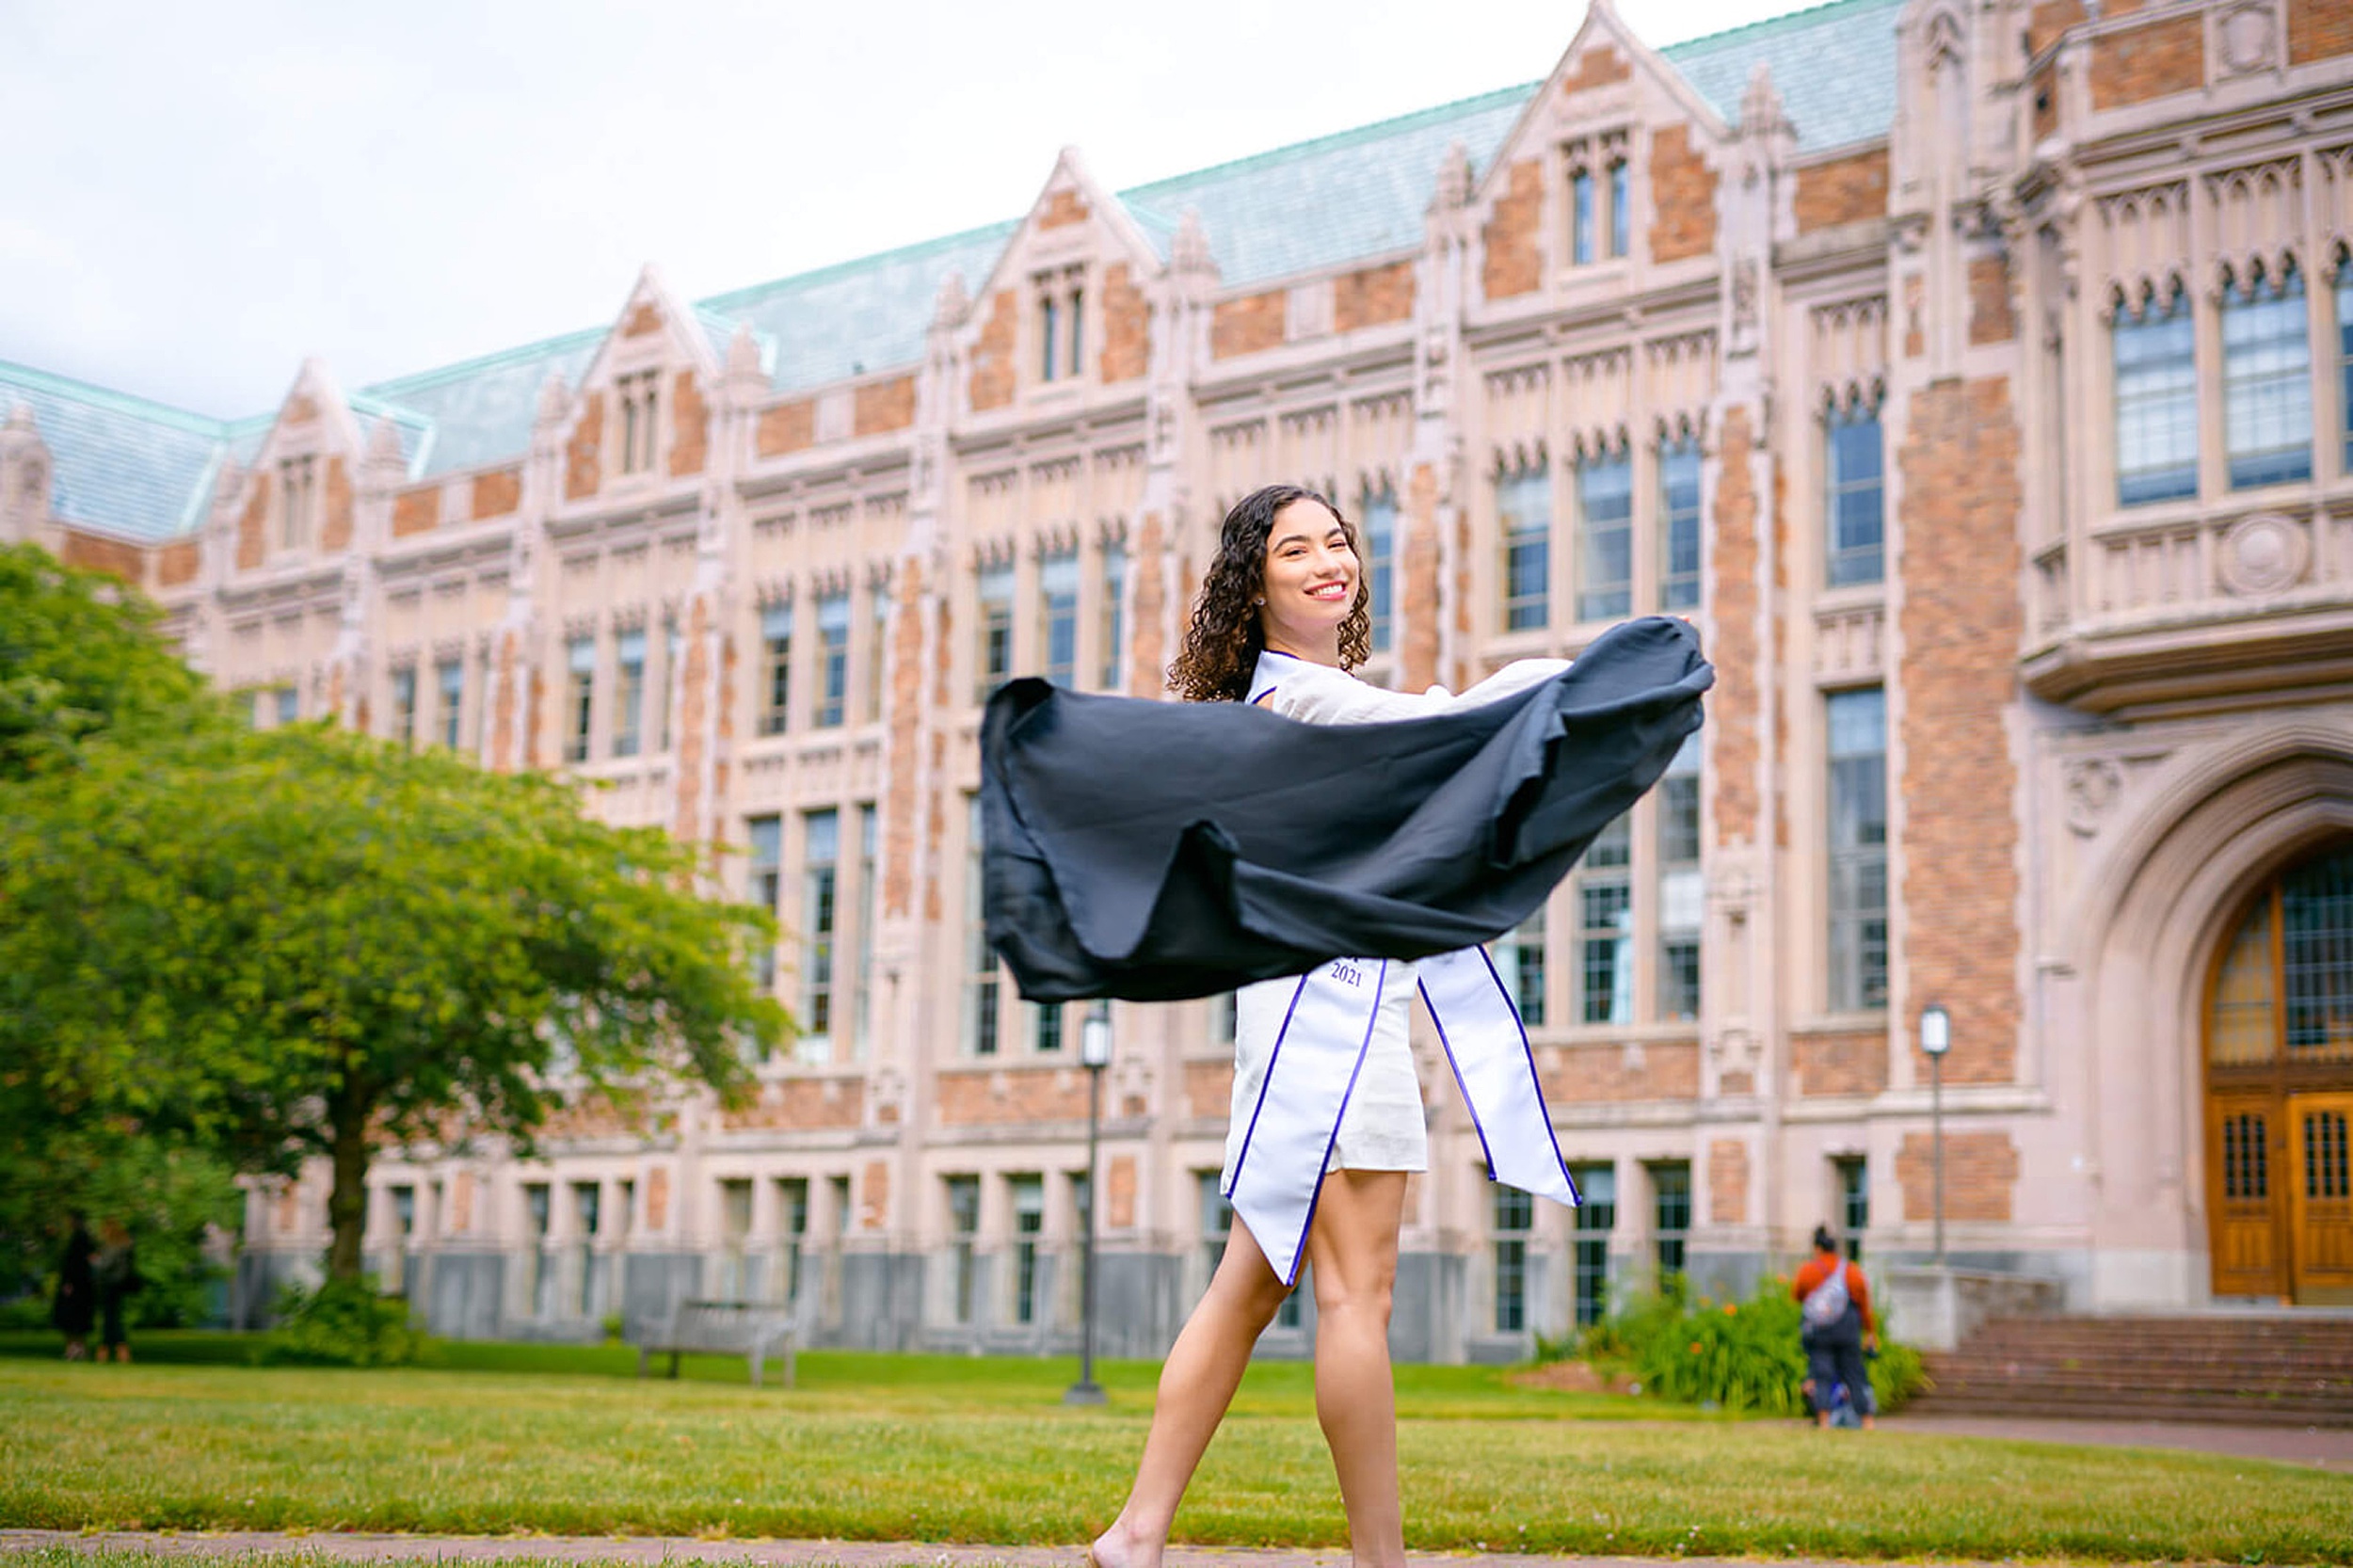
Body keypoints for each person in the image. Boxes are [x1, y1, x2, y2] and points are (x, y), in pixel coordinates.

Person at [1088, 485, 1587, 1568]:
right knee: (1356, 1293)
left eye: (1338, 542)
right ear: (1253, 584)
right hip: (1335, 1027)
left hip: (1302, 1018)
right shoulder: (1304, 701)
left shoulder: (1287, 700)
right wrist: (1585, 676)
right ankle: (1378, 1560)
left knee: (1251, 1283)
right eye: (1294, 548)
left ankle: (1137, 1530)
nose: (1328, 561)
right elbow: (1449, 725)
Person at [1792, 1224, 1876, 1431]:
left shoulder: (1809, 1270)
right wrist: (1870, 1332)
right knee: (1854, 1373)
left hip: (1821, 1330)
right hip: (1847, 1328)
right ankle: (1867, 1420)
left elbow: (1797, 1295)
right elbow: (1864, 1304)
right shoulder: (1851, 1271)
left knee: (1822, 1374)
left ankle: (1823, 1420)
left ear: (1817, 1248)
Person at [91, 1216, 142, 1364]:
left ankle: (108, 1351)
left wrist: (95, 1261)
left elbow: (105, 1265)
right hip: (118, 1285)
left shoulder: (113, 1246)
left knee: (110, 1318)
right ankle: (118, 1351)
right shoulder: (125, 1244)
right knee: (114, 1318)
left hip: (110, 1284)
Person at [50, 1212, 97, 1361]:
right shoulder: (85, 1238)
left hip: (76, 1285)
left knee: (71, 1318)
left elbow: (75, 1264)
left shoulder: (79, 1239)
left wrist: (69, 1283)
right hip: (83, 1285)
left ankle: (74, 1348)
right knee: (78, 1319)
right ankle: (79, 1348)